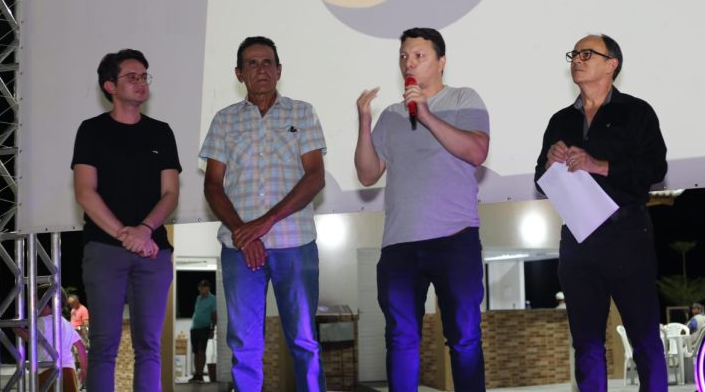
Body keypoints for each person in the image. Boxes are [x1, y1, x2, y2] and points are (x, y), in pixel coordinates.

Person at [355, 27, 490, 391]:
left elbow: (477, 152)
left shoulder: (463, 99)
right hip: (399, 245)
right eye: (404, 56)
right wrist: (365, 123)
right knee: (401, 339)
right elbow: (367, 174)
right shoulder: (391, 116)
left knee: (464, 338)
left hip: (454, 239)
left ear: (441, 62)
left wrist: (426, 114)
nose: (408, 63)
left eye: (419, 56)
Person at [535, 34, 668, 392]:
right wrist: (549, 163)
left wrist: (598, 165)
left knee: (644, 339)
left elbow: (655, 168)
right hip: (578, 240)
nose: (577, 60)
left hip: (627, 236)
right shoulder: (561, 120)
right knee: (586, 343)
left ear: (612, 64)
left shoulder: (636, 112)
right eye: (574, 54)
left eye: (587, 54)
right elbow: (539, 180)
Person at [200, 36, 327, 392]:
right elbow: (213, 185)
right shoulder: (224, 120)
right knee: (244, 345)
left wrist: (263, 224)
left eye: (268, 62)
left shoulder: (302, 113)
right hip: (240, 249)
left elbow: (314, 177)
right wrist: (244, 233)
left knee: (304, 341)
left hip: (295, 244)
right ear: (239, 73)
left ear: (279, 70)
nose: (261, 69)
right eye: (252, 63)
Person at [72, 49, 181, 392]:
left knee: (149, 346)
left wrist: (145, 231)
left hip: (153, 251)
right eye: (131, 77)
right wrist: (126, 235)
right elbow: (85, 192)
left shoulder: (161, 132)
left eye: (144, 76)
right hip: (105, 249)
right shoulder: (91, 130)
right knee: (104, 345)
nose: (141, 82)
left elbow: (171, 193)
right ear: (110, 86)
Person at [14, 287, 89, 392]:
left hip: (48, 371)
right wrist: (84, 368)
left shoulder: (41, 322)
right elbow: (80, 346)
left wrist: (17, 328)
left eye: (35, 302)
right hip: (69, 371)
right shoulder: (66, 323)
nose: (33, 307)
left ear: (44, 303)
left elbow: (30, 337)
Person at [188, 280, 218, 383]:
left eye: (202, 287)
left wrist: (212, 329)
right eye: (199, 287)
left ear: (207, 288)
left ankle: (200, 374)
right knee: (195, 352)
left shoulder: (213, 299)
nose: (200, 289)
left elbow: (214, 316)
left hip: (204, 328)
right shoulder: (198, 298)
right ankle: (196, 374)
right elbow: (197, 312)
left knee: (201, 351)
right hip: (194, 328)